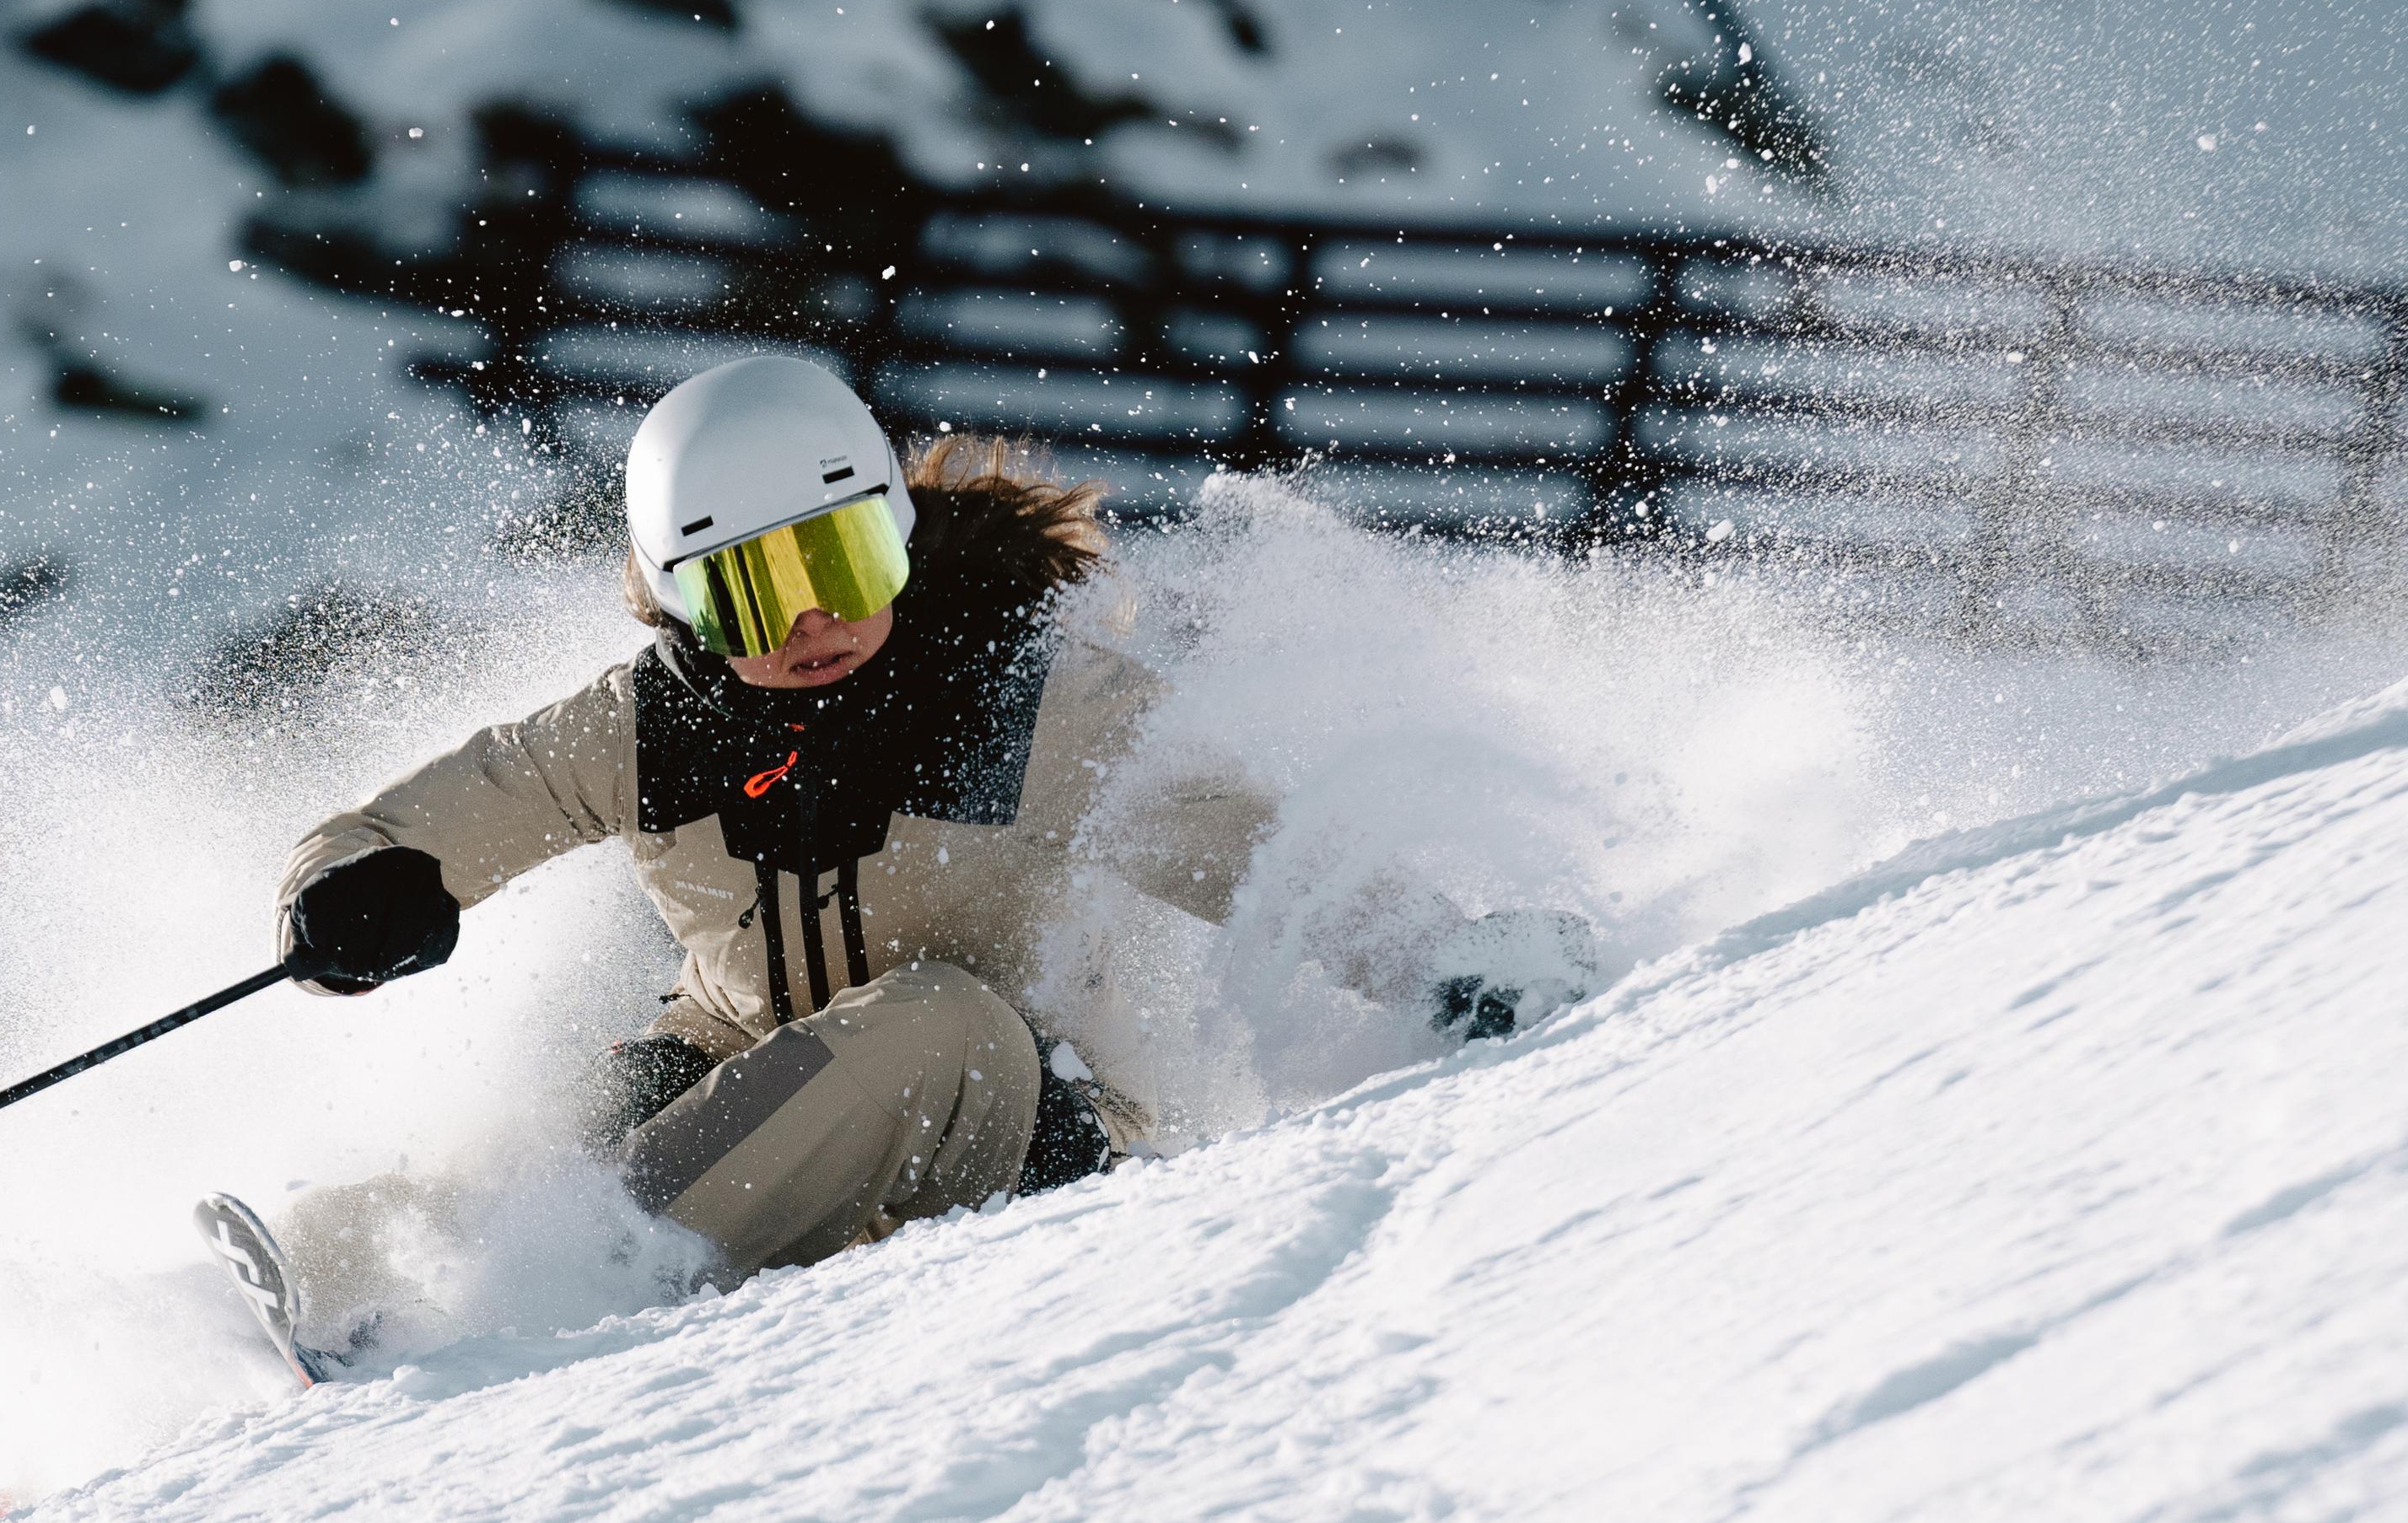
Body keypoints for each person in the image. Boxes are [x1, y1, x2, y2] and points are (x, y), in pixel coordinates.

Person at [219, 356, 1587, 1359]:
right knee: (560, 1136)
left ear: (898, 537)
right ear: (681, 603)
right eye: (760, 587)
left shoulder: (1031, 704)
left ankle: (538, 1305)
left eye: (845, 558)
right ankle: (362, 1287)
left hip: (1020, 1119)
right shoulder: (646, 730)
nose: (814, 620)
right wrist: (350, 896)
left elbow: (1264, 857)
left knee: (938, 1019)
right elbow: (433, 819)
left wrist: (1443, 956)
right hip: (746, 1093)